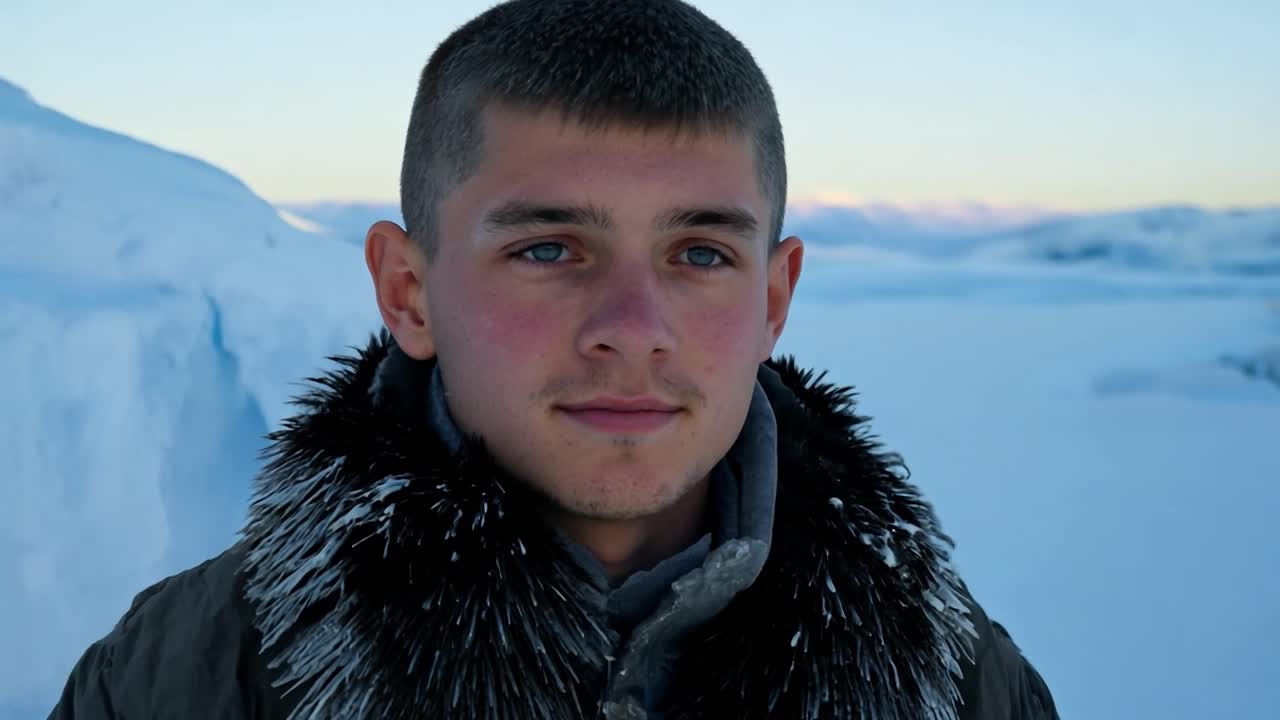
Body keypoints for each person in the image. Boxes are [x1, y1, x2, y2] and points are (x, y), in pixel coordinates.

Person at [50, 1, 1058, 718]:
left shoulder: (953, 681)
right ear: (408, 291)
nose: (630, 325)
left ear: (771, 299)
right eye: (547, 249)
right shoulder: (195, 673)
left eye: (699, 253)